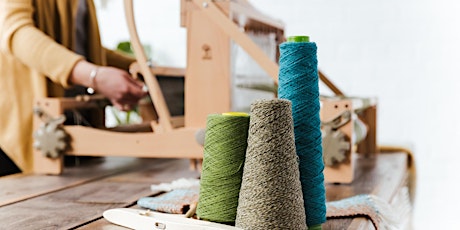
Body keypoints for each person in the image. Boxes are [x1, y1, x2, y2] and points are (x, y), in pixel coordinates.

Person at [0, 0, 147, 176]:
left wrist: (140, 68)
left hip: (68, 123)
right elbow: (16, 32)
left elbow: (79, 48)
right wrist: (95, 76)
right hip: (20, 130)